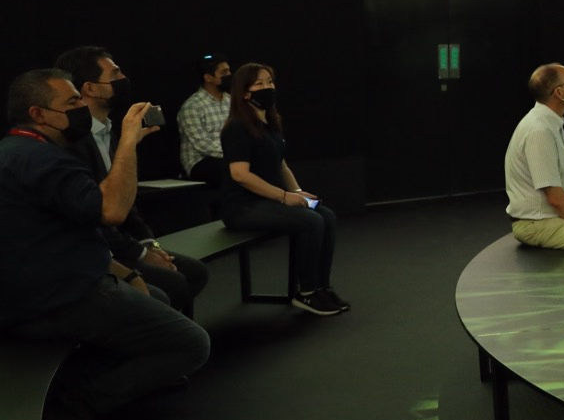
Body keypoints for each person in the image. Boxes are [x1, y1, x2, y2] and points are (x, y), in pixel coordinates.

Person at [0, 70, 210, 420]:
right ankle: (73, 409)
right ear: (38, 114)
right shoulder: (44, 160)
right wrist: (128, 143)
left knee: (161, 294)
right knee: (193, 344)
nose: (82, 108)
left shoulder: (16, 154)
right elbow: (112, 210)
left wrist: (126, 272)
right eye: (72, 103)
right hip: (55, 300)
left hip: (33, 293)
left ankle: (82, 388)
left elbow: (70, 236)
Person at [54, 46, 210, 316]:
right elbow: (97, 215)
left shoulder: (110, 132)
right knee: (173, 284)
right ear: (89, 88)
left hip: (121, 244)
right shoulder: (72, 144)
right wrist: (140, 254)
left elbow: (129, 205)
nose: (123, 78)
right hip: (97, 251)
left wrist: (152, 246)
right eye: (115, 73)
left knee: (194, 272)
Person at [219, 63, 350, 316]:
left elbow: (281, 165)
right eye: (259, 84)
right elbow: (240, 174)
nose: (267, 87)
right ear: (245, 93)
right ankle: (307, 293)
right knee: (310, 221)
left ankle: (322, 287)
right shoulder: (237, 127)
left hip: (268, 202)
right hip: (242, 207)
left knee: (327, 216)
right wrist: (283, 196)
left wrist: (297, 191)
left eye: (270, 81)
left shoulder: (270, 123)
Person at [504, 63, 564, 252]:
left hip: (553, 219)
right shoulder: (540, 130)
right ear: (558, 93)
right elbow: (556, 198)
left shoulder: (551, 123)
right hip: (537, 225)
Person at [178, 52, 231, 189]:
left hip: (229, 155)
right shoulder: (192, 106)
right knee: (228, 169)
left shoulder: (232, 101)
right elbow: (203, 145)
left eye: (229, 71)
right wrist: (235, 153)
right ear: (208, 77)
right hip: (201, 161)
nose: (229, 75)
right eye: (224, 72)